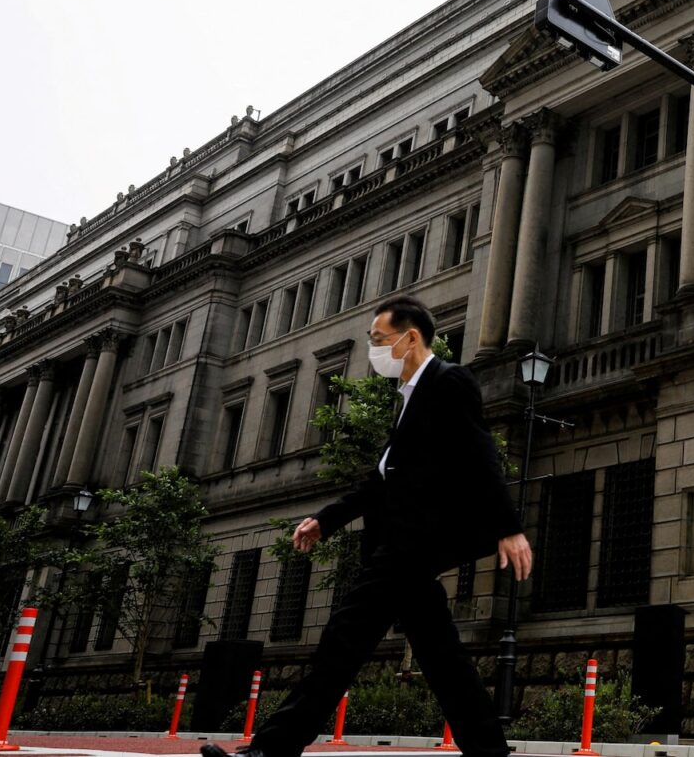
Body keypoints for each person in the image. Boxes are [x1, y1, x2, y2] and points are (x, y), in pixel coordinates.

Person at [202, 296, 532, 757]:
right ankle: (490, 750)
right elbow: (381, 480)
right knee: (441, 657)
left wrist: (509, 526)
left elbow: (481, 454)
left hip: (412, 544)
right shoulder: (408, 398)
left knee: (342, 641)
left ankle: (270, 750)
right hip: (403, 546)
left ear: (409, 337)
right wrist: (326, 519)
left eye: (378, 340)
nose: (374, 349)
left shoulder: (449, 381)